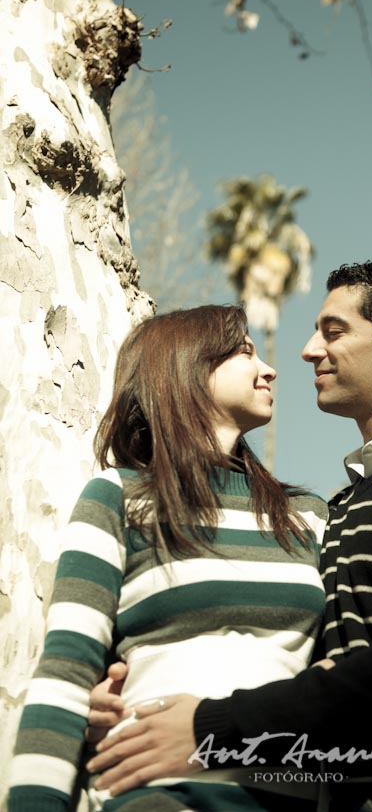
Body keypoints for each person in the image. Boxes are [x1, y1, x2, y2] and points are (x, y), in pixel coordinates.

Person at [84, 261, 372, 812]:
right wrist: (129, 695)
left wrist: (208, 728)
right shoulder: (341, 506)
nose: (307, 351)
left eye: (333, 332)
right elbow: (307, 661)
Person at [8, 304, 329, 812]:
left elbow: (346, 679)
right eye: (245, 351)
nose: (270, 368)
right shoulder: (118, 497)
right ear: (188, 367)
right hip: (153, 800)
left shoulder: (306, 516)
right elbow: (65, 674)